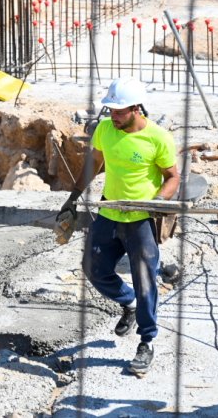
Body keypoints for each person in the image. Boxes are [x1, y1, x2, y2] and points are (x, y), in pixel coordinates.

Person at [72, 77, 180, 376]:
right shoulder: (105, 129)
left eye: (119, 111)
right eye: (110, 110)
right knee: (93, 268)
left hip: (141, 219)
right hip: (110, 211)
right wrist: (72, 197)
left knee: (145, 280)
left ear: (136, 109)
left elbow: (173, 177)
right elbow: (94, 163)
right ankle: (128, 302)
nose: (113, 116)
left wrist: (158, 201)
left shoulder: (157, 137)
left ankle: (147, 341)